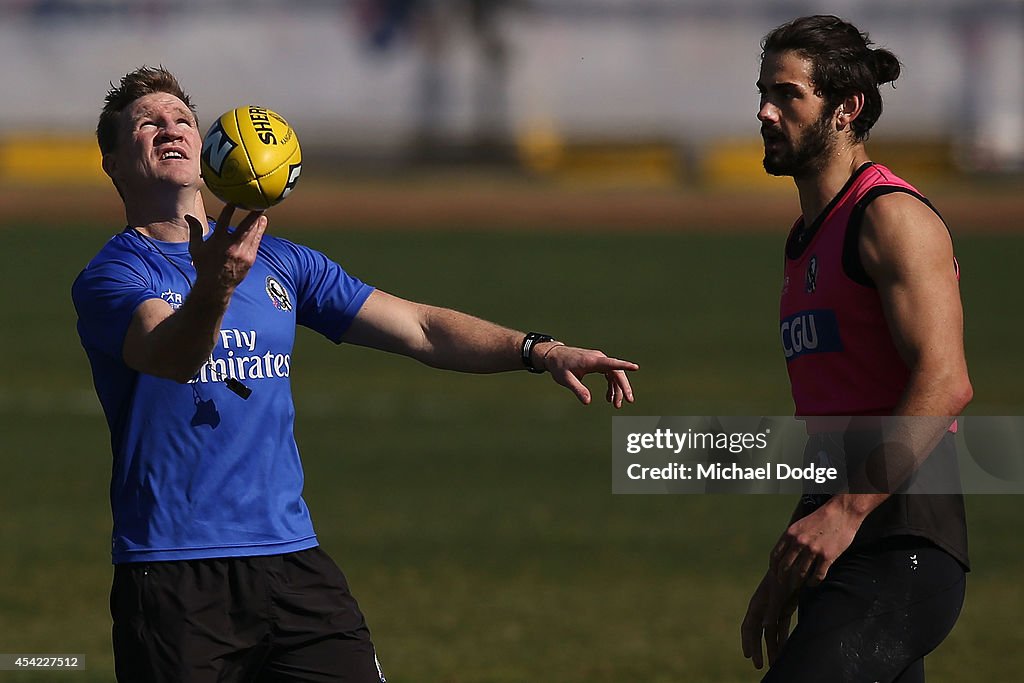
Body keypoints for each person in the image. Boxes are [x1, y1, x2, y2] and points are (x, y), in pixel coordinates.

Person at [72, 65, 638, 683]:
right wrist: (216, 287)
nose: (170, 129)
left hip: (292, 562)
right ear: (113, 163)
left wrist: (538, 350)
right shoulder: (114, 276)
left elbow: (420, 327)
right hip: (176, 573)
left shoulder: (283, 261)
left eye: (181, 118)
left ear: (206, 149)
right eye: (147, 124)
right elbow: (173, 356)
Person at [739, 15, 974, 683]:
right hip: (844, 543)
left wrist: (847, 509)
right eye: (762, 92)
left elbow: (947, 380)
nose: (765, 110)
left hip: (902, 546)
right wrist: (792, 557)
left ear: (847, 109)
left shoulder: (890, 217)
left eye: (788, 94)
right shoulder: (807, 237)